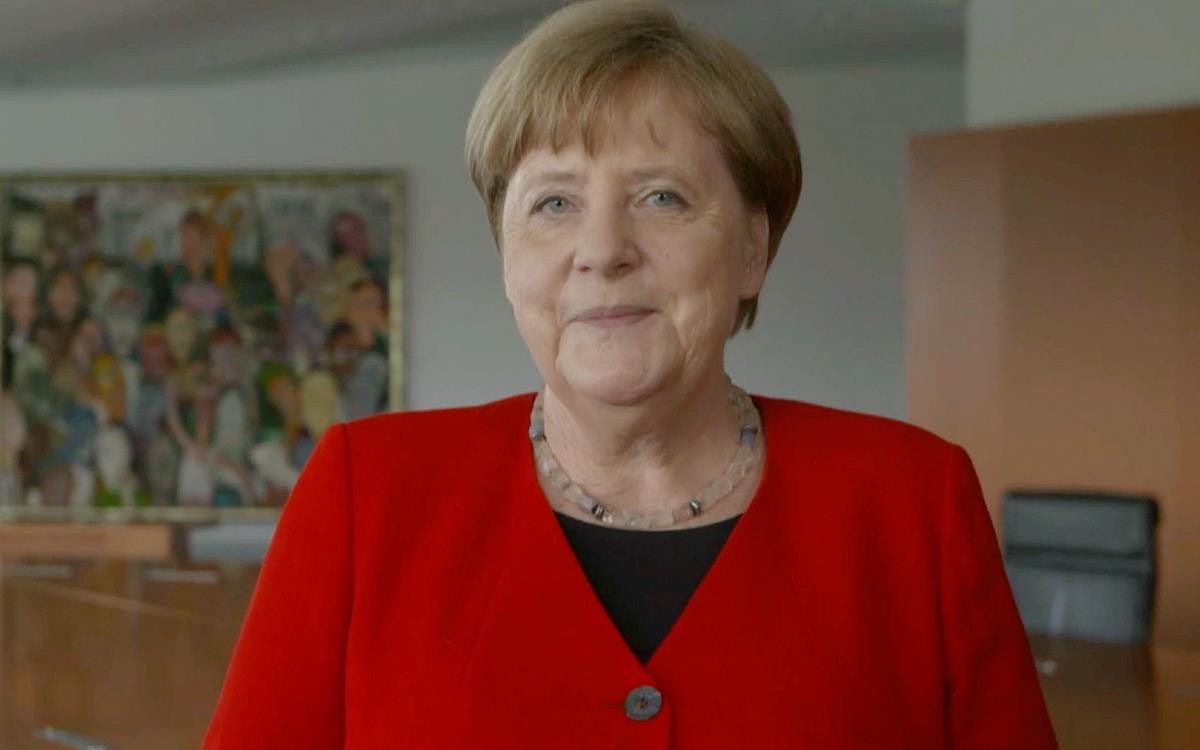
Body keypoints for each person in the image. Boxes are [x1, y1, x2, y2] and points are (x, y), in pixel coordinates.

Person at [203, 2, 1058, 748]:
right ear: (507, 254)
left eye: (661, 197)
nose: (603, 251)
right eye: (553, 203)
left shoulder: (913, 501)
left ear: (753, 247)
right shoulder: (366, 493)